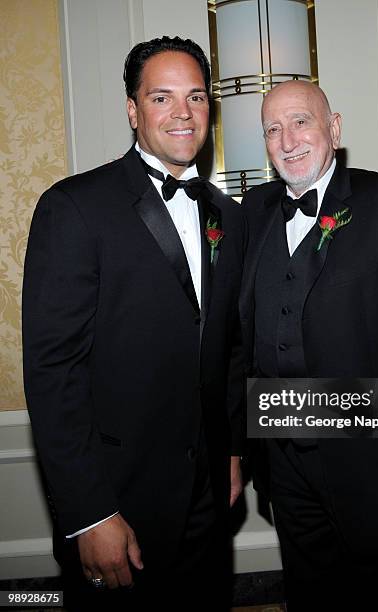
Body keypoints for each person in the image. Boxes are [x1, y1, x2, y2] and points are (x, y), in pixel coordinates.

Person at [22, 36, 244, 611]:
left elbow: (230, 349)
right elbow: (53, 373)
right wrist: (89, 513)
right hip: (118, 498)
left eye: (195, 97)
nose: (182, 113)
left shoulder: (229, 217)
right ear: (132, 109)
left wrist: (234, 453)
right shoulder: (73, 207)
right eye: (162, 97)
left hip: (208, 497)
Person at [240, 80, 378, 610]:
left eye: (301, 122)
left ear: (333, 128)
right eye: (273, 129)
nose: (287, 139)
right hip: (284, 460)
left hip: (375, 464)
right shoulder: (253, 211)